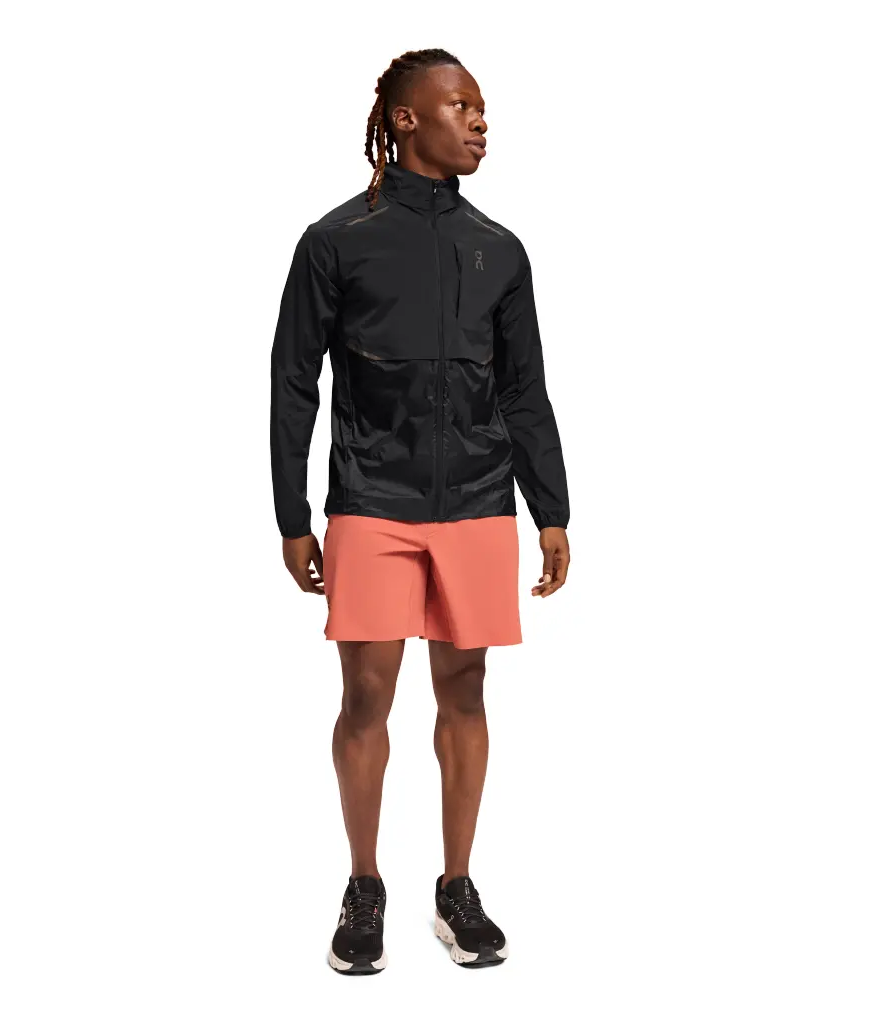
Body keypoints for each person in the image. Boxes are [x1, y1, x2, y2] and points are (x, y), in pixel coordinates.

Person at [269, 48, 571, 973]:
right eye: (461, 105)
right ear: (406, 120)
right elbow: (293, 383)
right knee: (366, 695)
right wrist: (292, 515)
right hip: (372, 501)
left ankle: (456, 887)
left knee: (465, 689)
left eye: (481, 107)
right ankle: (364, 887)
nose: (480, 121)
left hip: (477, 501)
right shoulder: (335, 241)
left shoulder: (500, 249)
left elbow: (524, 390)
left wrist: (551, 509)